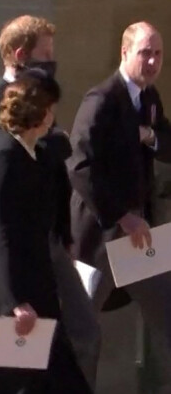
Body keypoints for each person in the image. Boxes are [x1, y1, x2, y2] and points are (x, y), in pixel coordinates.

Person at [0, 15, 100, 386]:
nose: (52, 65)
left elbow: (52, 165)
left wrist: (64, 229)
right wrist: (53, 140)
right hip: (16, 247)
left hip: (49, 240)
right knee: (2, 356)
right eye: (45, 56)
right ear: (20, 55)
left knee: (81, 331)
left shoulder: (42, 100)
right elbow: (16, 152)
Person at [0, 74, 92, 394]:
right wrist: (17, 301)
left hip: (39, 285)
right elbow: (2, 236)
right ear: (41, 113)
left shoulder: (35, 158)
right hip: (16, 293)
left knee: (55, 375)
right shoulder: (4, 161)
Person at [68, 21, 171, 393]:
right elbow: (78, 165)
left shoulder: (150, 97)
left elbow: (168, 143)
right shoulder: (101, 99)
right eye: (145, 52)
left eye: (158, 53)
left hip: (139, 239)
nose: (153, 61)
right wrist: (121, 216)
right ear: (125, 53)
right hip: (99, 239)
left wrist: (151, 136)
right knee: (79, 331)